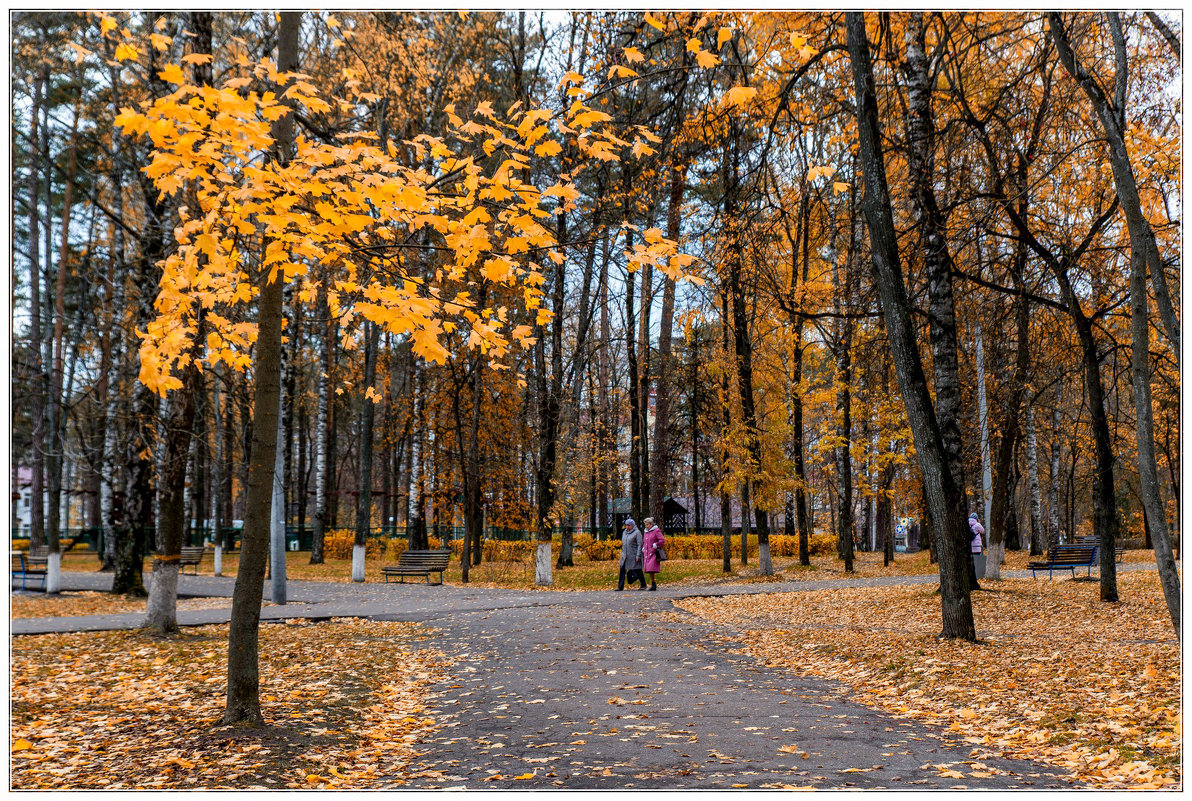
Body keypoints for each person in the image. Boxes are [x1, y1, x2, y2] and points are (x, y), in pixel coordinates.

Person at [617, 518, 646, 591]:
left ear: (632, 525)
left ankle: (643, 584)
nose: (627, 527)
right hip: (625, 555)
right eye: (626, 525)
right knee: (622, 570)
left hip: (633, 555)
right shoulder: (624, 532)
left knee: (638, 570)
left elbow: (640, 544)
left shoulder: (637, 533)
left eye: (629, 525)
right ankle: (620, 586)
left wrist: (638, 555)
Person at [642, 516, 666, 591]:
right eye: (645, 525)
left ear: (651, 524)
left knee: (651, 568)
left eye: (647, 525)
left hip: (653, 552)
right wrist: (643, 547)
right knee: (649, 569)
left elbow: (662, 540)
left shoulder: (656, 531)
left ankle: (653, 584)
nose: (646, 526)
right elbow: (645, 541)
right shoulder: (645, 532)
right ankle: (653, 583)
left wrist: (656, 545)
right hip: (647, 552)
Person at [969, 512, 986, 579]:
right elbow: (983, 531)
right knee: (978, 560)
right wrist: (979, 522)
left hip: (970, 546)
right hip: (977, 546)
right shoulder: (977, 524)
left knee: (972, 560)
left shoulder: (967, 524)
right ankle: (977, 575)